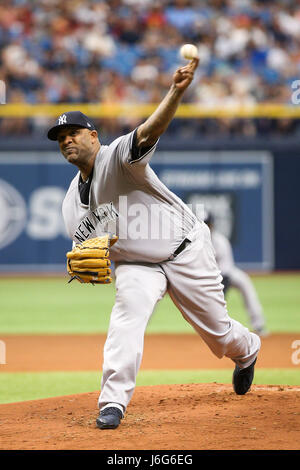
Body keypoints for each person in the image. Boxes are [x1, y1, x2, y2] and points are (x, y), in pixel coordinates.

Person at [47, 58, 261, 430]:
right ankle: (112, 402)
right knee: (125, 319)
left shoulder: (116, 157)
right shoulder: (70, 203)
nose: (67, 139)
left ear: (93, 136)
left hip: (185, 249)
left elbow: (149, 132)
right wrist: (84, 265)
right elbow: (85, 250)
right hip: (137, 265)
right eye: (61, 138)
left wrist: (176, 91)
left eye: (75, 132)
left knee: (219, 336)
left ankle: (247, 350)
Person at [204, 212, 268, 337]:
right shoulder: (198, 241)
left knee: (245, 283)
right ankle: (212, 329)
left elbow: (225, 270)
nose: (206, 226)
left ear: (212, 224)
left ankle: (258, 325)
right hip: (208, 275)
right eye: (204, 224)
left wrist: (221, 291)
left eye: (207, 224)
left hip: (227, 273)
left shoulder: (220, 241)